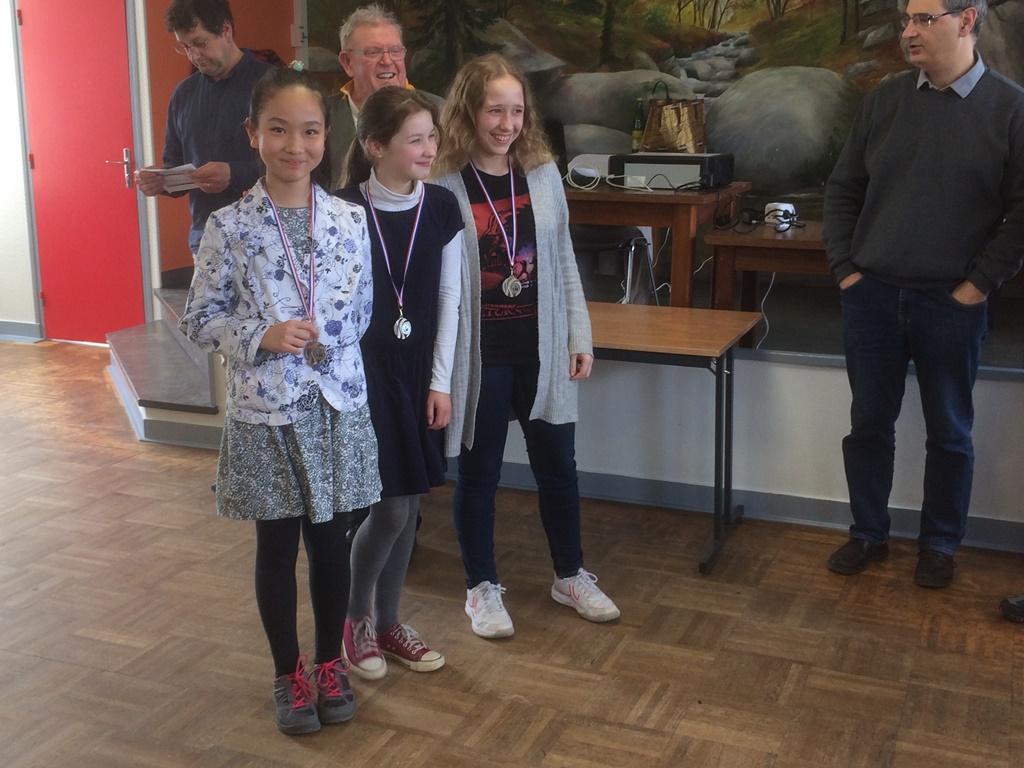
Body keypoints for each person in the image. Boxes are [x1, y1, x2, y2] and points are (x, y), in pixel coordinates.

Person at [179, 66, 380, 735]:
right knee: (276, 546)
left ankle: (329, 663)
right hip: (268, 409)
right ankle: (287, 672)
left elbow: (364, 309)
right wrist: (260, 335)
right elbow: (199, 318)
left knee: (331, 543)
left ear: (327, 136)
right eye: (279, 130)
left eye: (311, 131)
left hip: (335, 406)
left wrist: (329, 335)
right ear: (253, 134)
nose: (296, 145)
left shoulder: (350, 219)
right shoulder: (229, 225)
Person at [823, 0, 1024, 588]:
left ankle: (939, 545)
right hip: (873, 296)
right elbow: (842, 189)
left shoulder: (1010, 108)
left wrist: (977, 285)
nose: (908, 31)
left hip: (952, 303)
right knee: (868, 425)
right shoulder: (883, 101)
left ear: (967, 21)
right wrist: (847, 271)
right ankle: (867, 532)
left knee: (951, 432)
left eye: (924, 19)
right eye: (906, 20)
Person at [431, 53, 619, 639]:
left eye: (516, 111)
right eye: (495, 110)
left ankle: (570, 575)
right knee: (480, 472)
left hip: (542, 348)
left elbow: (562, 259)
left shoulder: (541, 173)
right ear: (468, 111)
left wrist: (579, 334)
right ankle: (481, 588)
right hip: (480, 354)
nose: (507, 124)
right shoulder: (442, 181)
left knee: (559, 469)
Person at [334, 88, 463, 678]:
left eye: (432, 136)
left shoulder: (441, 207)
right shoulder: (341, 209)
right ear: (375, 146)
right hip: (361, 379)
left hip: (417, 377)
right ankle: (355, 618)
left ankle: (387, 624)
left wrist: (440, 383)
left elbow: (449, 299)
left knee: (407, 505)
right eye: (415, 140)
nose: (430, 148)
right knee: (387, 509)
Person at [136, 0, 273, 256]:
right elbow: (176, 165)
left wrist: (233, 173)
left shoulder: (274, 85)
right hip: (206, 241)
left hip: (267, 239)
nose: (194, 56)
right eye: (185, 47)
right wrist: (161, 182)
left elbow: (298, 164)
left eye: (200, 43)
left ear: (226, 30)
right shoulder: (183, 94)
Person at [325, 4, 415, 191]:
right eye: (373, 52)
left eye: (395, 51)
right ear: (347, 62)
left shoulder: (439, 111)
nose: (387, 61)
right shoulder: (322, 115)